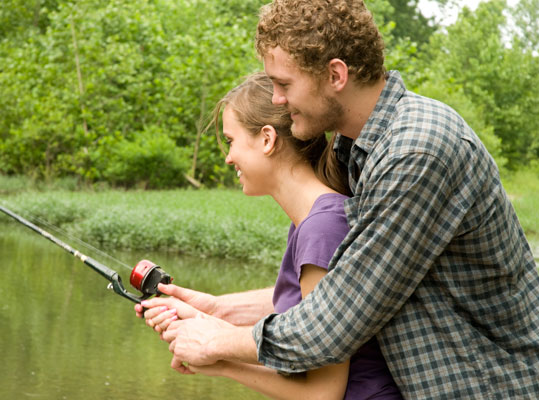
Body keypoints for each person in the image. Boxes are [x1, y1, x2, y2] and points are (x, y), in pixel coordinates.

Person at [150, 0, 539, 398]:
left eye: (284, 84)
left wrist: (218, 342)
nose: (276, 99)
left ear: (335, 75)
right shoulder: (360, 150)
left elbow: (331, 324)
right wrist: (221, 309)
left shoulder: (417, 150)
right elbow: (346, 285)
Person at [137, 71, 403, 399]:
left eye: (231, 141)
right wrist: (213, 314)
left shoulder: (322, 229)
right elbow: (299, 327)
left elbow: (322, 393)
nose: (228, 157)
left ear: (267, 139)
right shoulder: (311, 222)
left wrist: (219, 358)